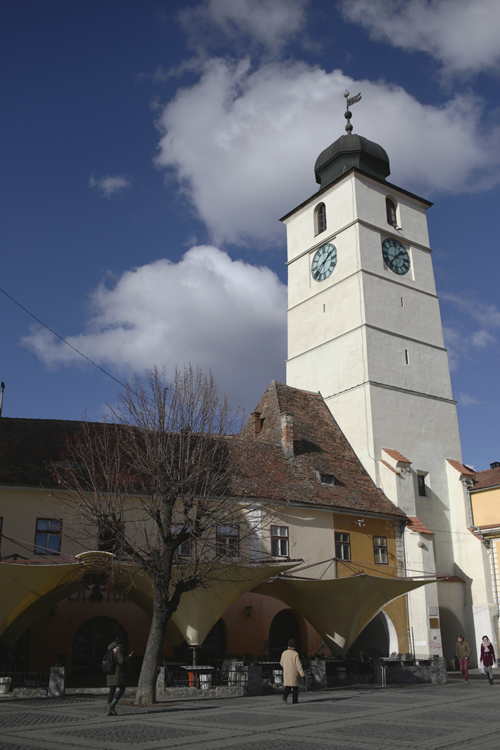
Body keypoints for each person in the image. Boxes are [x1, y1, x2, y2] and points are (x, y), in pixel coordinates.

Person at [106, 635, 133, 716]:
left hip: (110, 670)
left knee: (112, 690)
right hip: (117, 672)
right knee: (122, 688)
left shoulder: (110, 648)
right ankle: (112, 705)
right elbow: (121, 661)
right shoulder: (118, 649)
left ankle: (110, 710)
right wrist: (128, 657)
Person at [280, 639, 305, 704]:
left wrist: (286, 666)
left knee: (288, 686)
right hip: (294, 672)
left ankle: (284, 696)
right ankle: (295, 700)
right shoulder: (295, 654)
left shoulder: (284, 653)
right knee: (295, 687)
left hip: (286, 672)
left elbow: (281, 663)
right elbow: (298, 665)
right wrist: (302, 674)